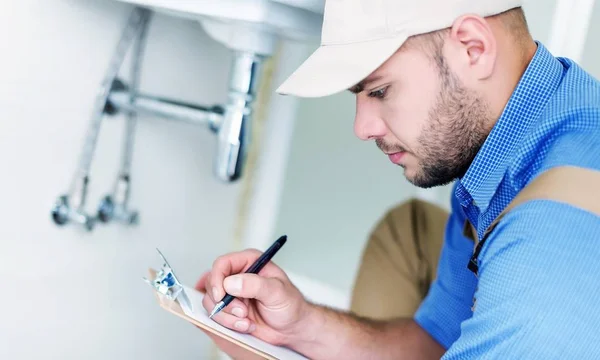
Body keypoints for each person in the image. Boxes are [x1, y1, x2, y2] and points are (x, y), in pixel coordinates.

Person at [195, 0, 600, 358]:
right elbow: (435, 340)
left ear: (473, 48)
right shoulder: (492, 169)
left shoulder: (550, 239)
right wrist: (302, 327)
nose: (362, 127)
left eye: (381, 91)